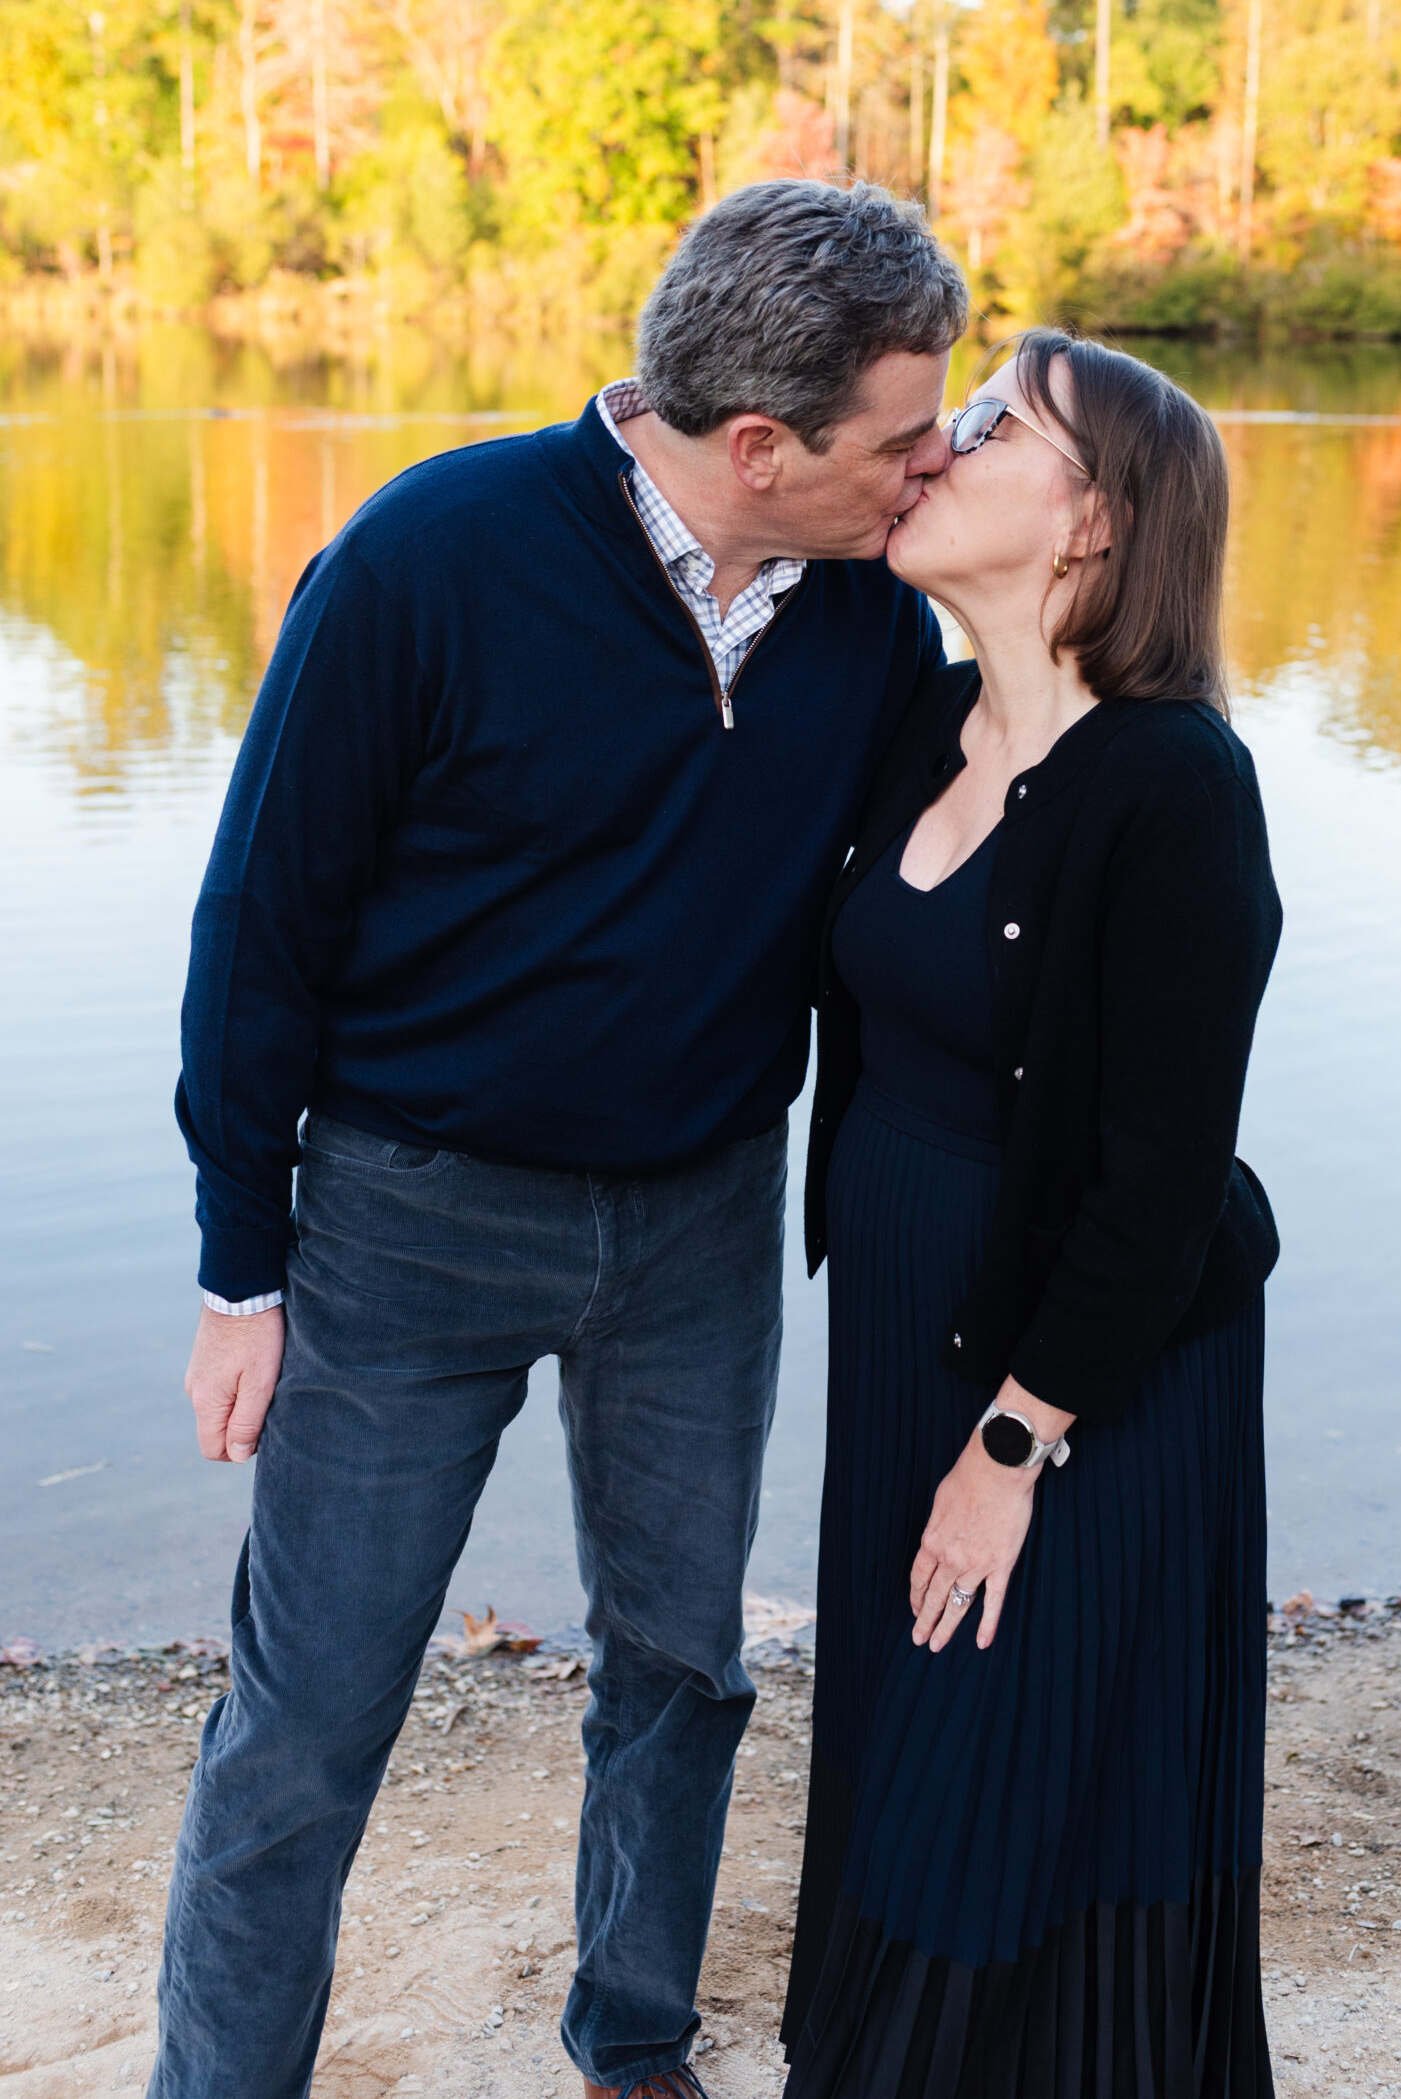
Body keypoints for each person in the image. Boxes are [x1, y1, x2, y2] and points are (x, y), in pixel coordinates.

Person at [152, 179, 968, 2099]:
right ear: (759, 446)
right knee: (308, 1718)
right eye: (903, 437)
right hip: (405, 1225)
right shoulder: (429, 558)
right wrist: (239, 1266)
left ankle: (634, 2037)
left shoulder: (867, 612)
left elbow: (949, 871)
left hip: (701, 1226)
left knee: (683, 1669)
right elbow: (260, 923)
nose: (931, 466)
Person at [781, 331, 1283, 2098]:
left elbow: (1161, 1182)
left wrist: (1012, 1444)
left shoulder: (1176, 786)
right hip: (904, 1318)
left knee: (1010, 1729)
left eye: (995, 427)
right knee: (913, 1708)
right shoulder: (923, 718)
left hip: (1082, 1364)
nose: (941, 447)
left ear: (1094, 522)